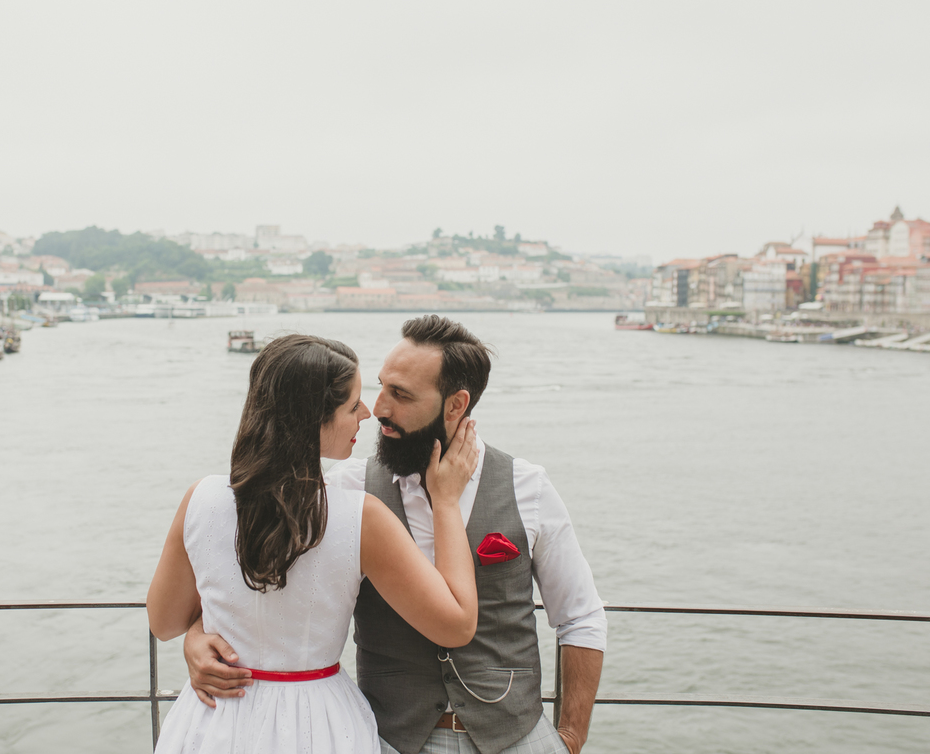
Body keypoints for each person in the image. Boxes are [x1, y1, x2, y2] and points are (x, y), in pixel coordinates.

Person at [186, 316, 607, 754]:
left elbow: (580, 618)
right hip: (388, 739)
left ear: (456, 404)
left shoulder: (528, 486)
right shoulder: (344, 487)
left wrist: (571, 737)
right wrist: (197, 637)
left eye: (400, 395)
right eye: (382, 385)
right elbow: (262, 578)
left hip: (519, 737)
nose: (378, 408)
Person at [147, 333, 483, 754]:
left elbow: (163, 622)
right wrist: (446, 502)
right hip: (316, 723)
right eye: (351, 405)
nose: (367, 413)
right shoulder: (361, 516)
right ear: (312, 419)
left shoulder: (200, 498)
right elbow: (456, 625)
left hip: (215, 719)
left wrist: (201, 632)